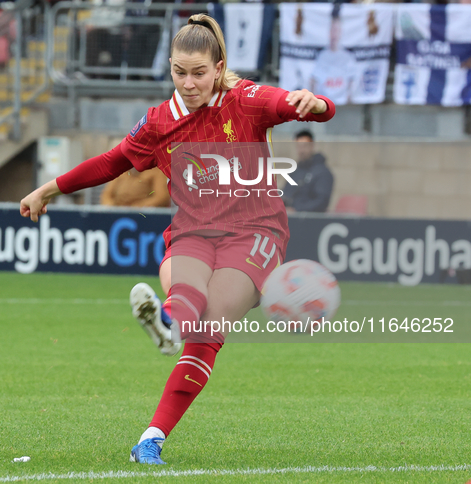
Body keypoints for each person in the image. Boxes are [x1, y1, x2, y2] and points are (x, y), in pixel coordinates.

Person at [20, 13, 335, 465]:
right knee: (187, 286)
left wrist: (313, 102)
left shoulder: (244, 100)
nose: (188, 83)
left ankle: (172, 327)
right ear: (169, 67)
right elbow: (111, 162)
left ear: (219, 65)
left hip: (254, 233)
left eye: (199, 73)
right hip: (195, 229)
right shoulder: (158, 123)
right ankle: (151, 432)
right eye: (179, 72)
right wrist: (49, 189)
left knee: (208, 325)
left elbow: (302, 105)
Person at [309, 3, 358, 105]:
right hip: (323, 102)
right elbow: (313, 79)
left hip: (343, 104)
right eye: (332, 30)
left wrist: (350, 100)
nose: (334, 34)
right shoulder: (322, 55)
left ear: (340, 32)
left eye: (336, 30)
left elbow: (353, 81)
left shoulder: (348, 57)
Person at [282, 130, 334, 213]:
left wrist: (296, 210)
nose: (301, 151)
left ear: (312, 146)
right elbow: (285, 193)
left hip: (308, 220)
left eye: (305, 146)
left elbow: (321, 202)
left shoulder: (322, 173)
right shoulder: (295, 171)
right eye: (299, 147)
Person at [100, 167, 170, 207]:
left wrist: (139, 206)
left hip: (142, 215)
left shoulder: (156, 171)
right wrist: (110, 206)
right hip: (117, 212)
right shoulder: (121, 170)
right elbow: (106, 194)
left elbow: (161, 197)